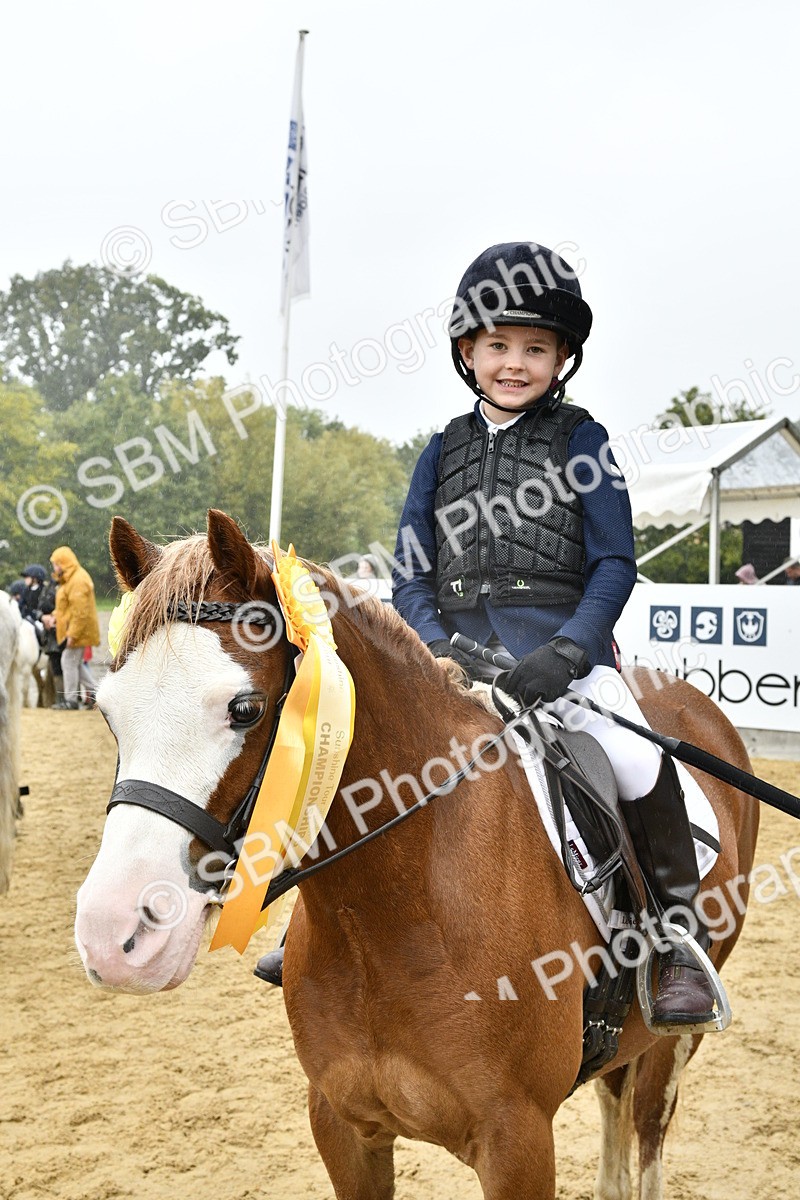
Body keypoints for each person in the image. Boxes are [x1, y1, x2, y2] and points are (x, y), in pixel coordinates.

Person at [385, 241, 719, 1025]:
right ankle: (318, 926)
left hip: (563, 664)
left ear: (561, 358)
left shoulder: (583, 440)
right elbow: (408, 571)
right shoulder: (440, 451)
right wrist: (435, 645)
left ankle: (676, 939)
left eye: (535, 349)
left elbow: (615, 563)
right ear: (468, 351)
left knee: (638, 759)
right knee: (366, 755)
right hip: (455, 671)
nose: (514, 363)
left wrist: (567, 652)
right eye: (498, 345)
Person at [48, 546, 100, 710]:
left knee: (68, 660)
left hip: (79, 631)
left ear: (64, 563)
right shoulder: (70, 579)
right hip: (77, 630)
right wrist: (54, 617)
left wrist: (72, 634)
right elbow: (67, 607)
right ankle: (95, 694)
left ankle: (71, 700)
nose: (54, 568)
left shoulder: (78, 580)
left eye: (56, 564)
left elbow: (80, 613)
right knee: (75, 663)